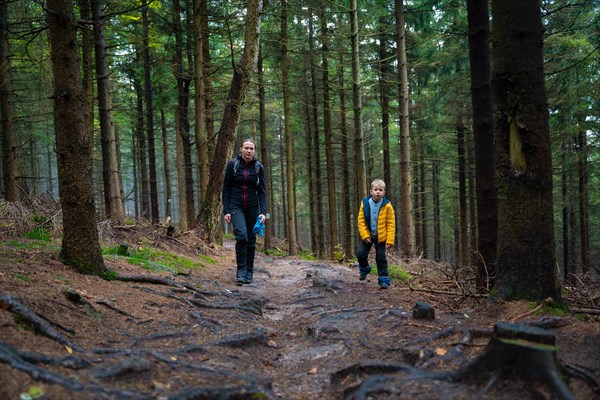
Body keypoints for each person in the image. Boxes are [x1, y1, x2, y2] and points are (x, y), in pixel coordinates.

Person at [222, 139, 267, 285]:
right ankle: (240, 271)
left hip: (253, 208)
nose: (249, 151)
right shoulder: (232, 165)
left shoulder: (258, 167)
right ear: (241, 149)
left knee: (252, 240)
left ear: (255, 151)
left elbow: (262, 191)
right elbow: (226, 188)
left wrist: (263, 212)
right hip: (236, 206)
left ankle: (249, 271)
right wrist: (226, 210)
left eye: (251, 149)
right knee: (242, 237)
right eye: (246, 148)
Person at [356, 179, 395, 289]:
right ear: (371, 191)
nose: (378, 192)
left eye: (380, 190)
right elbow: (361, 221)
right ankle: (364, 268)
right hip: (368, 235)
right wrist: (365, 236)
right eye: (376, 189)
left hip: (381, 237)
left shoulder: (387, 206)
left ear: (384, 192)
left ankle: (383, 279)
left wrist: (390, 240)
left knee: (381, 257)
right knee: (360, 254)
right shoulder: (365, 204)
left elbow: (391, 224)